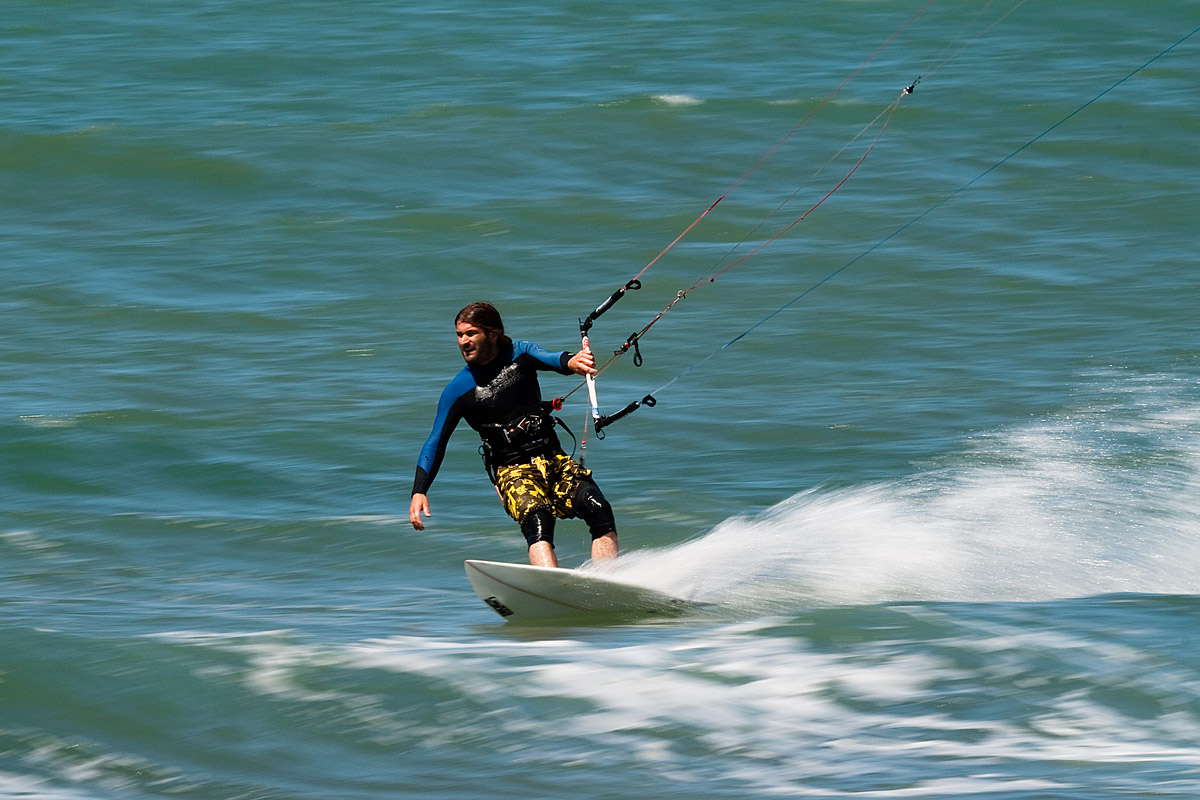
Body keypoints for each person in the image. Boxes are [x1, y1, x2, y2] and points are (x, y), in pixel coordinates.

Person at [409, 302, 619, 568]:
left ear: (493, 335)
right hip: (512, 471)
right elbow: (436, 441)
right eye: (459, 335)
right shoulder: (458, 390)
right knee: (538, 520)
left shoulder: (520, 353)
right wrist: (419, 491)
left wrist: (574, 361)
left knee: (598, 507)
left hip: (553, 459)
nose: (463, 341)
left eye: (471, 333)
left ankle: (606, 581)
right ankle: (549, 590)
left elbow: (554, 359)